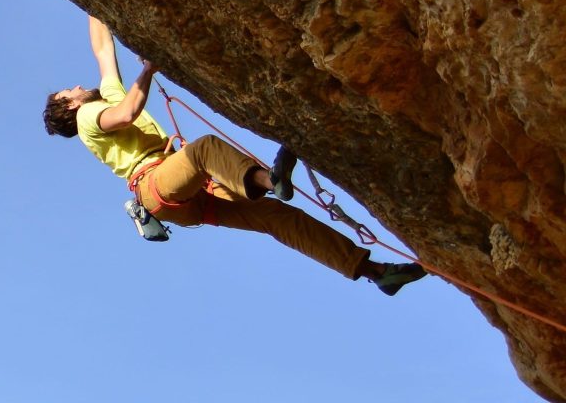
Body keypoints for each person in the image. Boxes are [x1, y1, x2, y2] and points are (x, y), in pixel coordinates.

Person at [42, 16, 427, 295]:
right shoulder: (91, 115)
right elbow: (127, 113)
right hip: (157, 185)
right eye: (67, 91)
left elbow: (102, 49)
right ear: (69, 108)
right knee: (205, 149)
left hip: (190, 198)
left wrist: (94, 6)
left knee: (278, 219)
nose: (76, 85)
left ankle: (376, 272)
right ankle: (268, 180)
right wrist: (148, 69)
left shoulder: (105, 95)